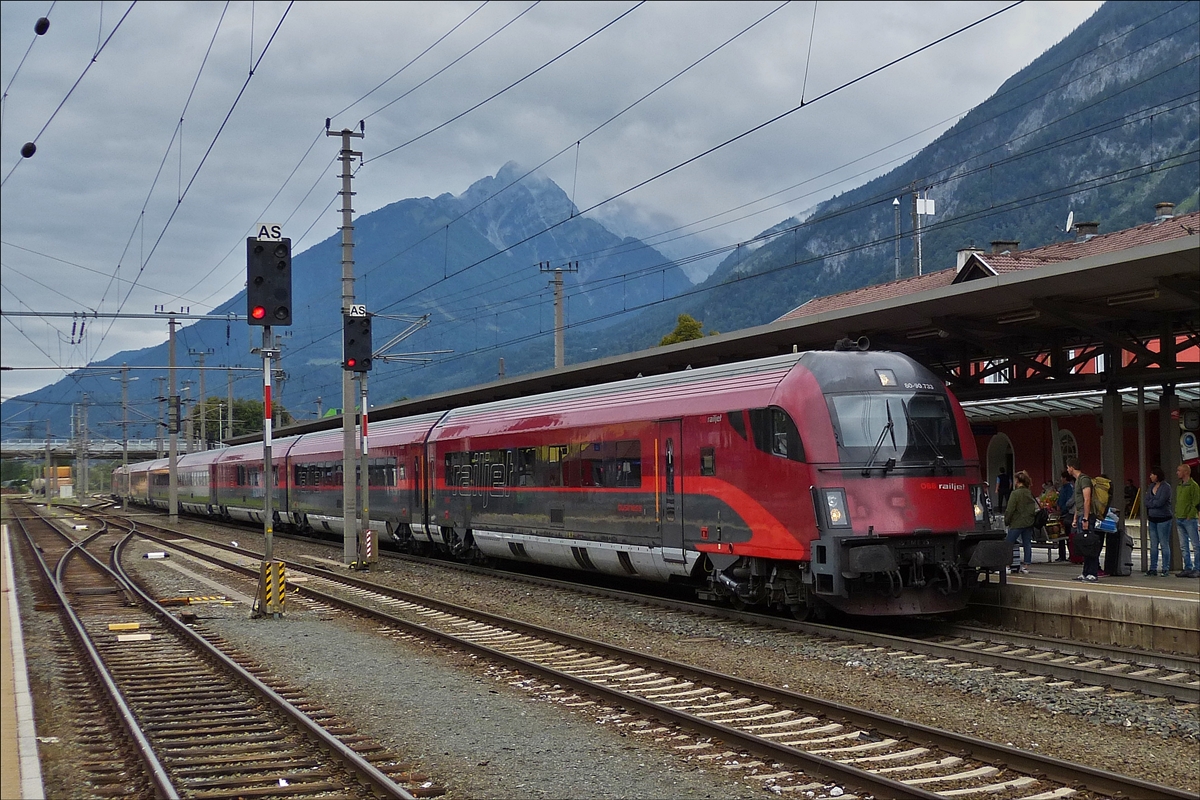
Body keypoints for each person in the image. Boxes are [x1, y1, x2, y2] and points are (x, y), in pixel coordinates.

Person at [1066, 457, 1101, 582]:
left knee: (1089, 544)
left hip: (1087, 516)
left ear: (1071, 467)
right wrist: (1076, 518)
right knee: (1084, 546)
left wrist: (1085, 518)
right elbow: (1079, 502)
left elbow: (1087, 499)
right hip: (1081, 515)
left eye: (1067, 467)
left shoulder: (1084, 480)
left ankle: (1093, 572)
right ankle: (1085, 572)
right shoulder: (1077, 481)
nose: (1067, 470)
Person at [1004, 470, 1038, 574]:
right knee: (1027, 543)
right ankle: (1026, 566)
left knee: (1008, 543)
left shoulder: (1015, 493)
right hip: (1028, 522)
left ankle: (1007, 565)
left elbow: (1010, 509)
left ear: (1018, 481)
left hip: (1017, 522)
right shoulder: (1029, 493)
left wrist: (1007, 520)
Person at [1143, 466, 1173, 577]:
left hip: (1164, 519)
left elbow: (1160, 502)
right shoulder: (1151, 486)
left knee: (1164, 544)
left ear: (1157, 475)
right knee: (1153, 544)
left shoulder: (1166, 487)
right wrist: (1152, 503)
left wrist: (1152, 503)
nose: (1150, 476)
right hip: (1152, 519)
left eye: (1152, 474)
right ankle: (1153, 568)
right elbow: (1146, 501)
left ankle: (1165, 568)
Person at [1176, 463, 1200, 579]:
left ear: (1186, 472)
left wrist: (1190, 515)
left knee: (1195, 544)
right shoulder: (1179, 486)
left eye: (1179, 471)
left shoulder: (1193, 486)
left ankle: (1197, 568)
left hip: (1189, 519)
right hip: (1179, 517)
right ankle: (1187, 567)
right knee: (1183, 545)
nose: (1177, 473)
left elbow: (1196, 501)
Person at [1055, 470, 1074, 562]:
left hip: (1066, 514)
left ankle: (1071, 554)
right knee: (1061, 535)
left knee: (1067, 535)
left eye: (1062, 477)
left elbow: (1068, 501)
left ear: (1065, 478)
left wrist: (1063, 508)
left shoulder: (1069, 488)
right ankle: (1061, 555)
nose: (1061, 479)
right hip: (1062, 513)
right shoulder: (1063, 488)